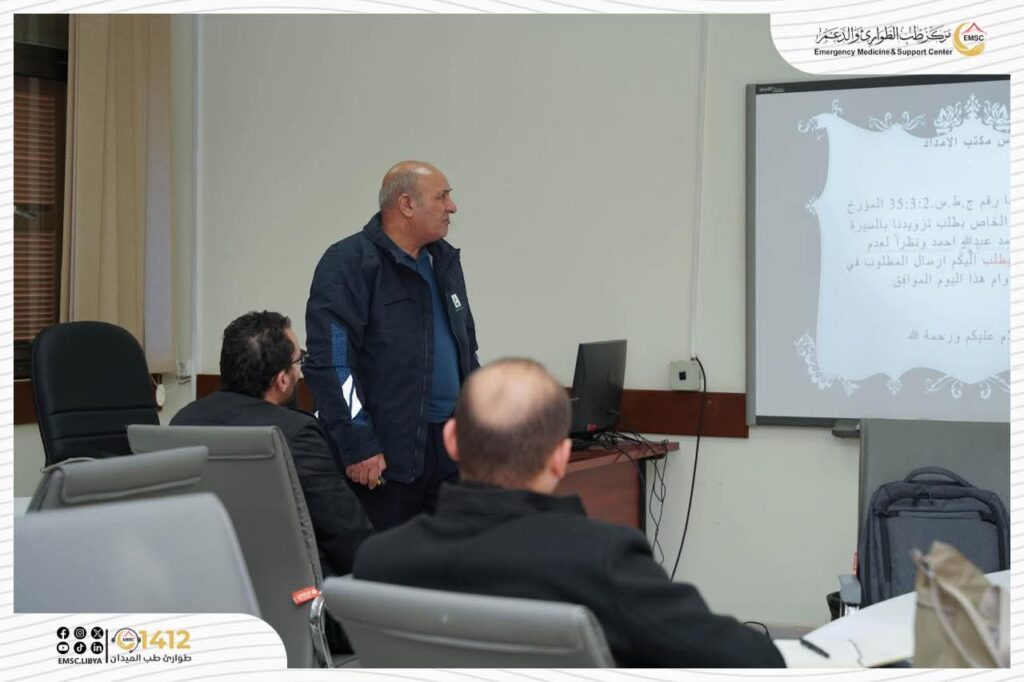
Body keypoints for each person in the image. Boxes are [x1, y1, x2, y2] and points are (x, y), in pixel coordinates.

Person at [353, 358, 785, 668]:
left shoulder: (379, 562)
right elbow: (755, 662)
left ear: (451, 441)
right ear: (561, 458)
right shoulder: (603, 562)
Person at [305, 161, 479, 530]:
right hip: (386, 454)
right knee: (389, 559)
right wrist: (358, 443)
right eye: (442, 197)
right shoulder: (348, 264)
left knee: (449, 559)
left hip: (450, 449)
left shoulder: (444, 262)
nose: (452, 207)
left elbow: (466, 351)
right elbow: (333, 364)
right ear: (406, 204)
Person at [172, 311, 373, 578]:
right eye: (298, 361)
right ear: (282, 379)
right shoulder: (296, 434)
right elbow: (349, 538)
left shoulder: (182, 421)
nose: (299, 369)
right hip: (295, 589)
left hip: (204, 577)